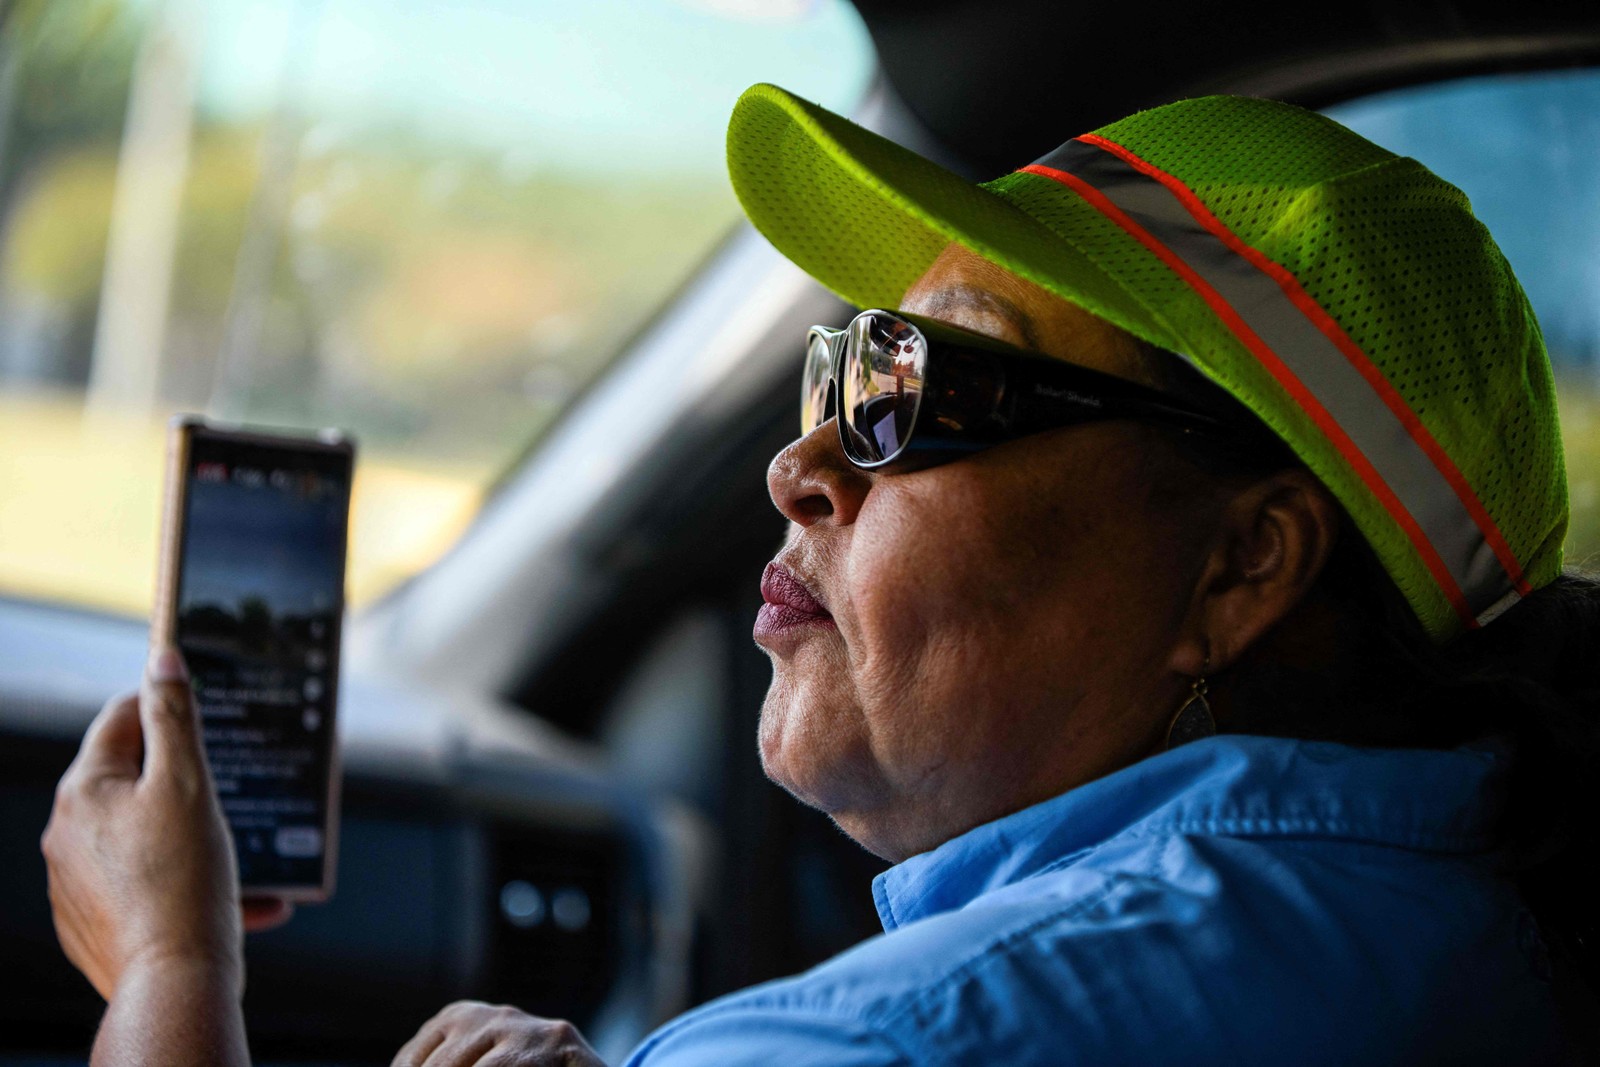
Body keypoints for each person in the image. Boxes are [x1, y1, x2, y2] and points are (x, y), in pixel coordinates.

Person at [41, 86, 1600, 1065]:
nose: (799, 468)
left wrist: (169, 976)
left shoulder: (891, 1039)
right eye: (839, 374)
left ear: (1244, 563)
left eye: (921, 394)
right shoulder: (1480, 926)